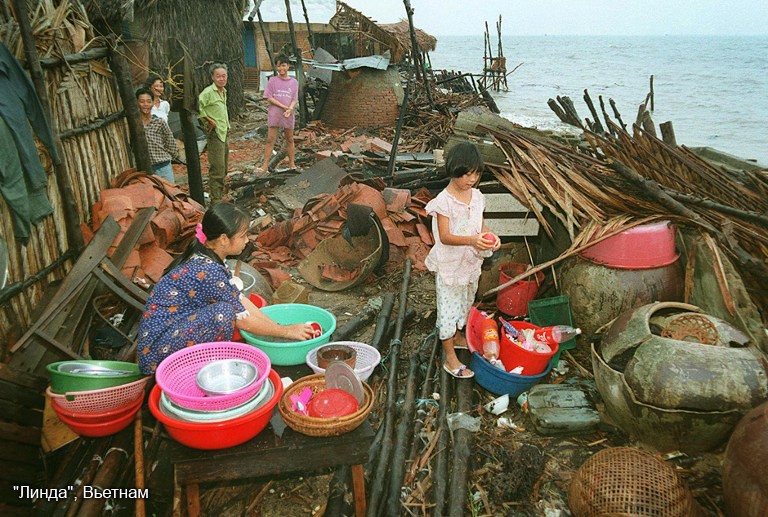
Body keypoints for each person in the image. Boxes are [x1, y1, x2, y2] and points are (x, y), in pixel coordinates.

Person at [137, 202, 314, 374]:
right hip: (156, 354)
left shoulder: (211, 257)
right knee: (223, 313)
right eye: (243, 235)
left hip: (170, 334)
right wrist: (287, 331)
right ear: (223, 239)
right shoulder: (207, 270)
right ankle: (198, 370)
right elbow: (243, 319)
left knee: (229, 307)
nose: (247, 240)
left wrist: (278, 327)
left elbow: (239, 299)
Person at [424, 142, 500, 379]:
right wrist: (472, 240)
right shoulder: (443, 201)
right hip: (450, 265)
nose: (472, 179)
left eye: (476, 174)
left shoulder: (477, 197)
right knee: (447, 309)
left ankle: (457, 336)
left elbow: (480, 225)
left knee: (465, 302)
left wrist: (490, 236)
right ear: (454, 170)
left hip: (470, 263)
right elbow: (445, 237)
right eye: (466, 174)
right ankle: (449, 358)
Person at [258, 54, 298, 174]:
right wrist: (283, 106)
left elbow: (294, 99)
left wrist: (290, 109)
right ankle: (264, 165)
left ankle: (292, 164)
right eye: (279, 66)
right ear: (276, 67)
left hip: (288, 114)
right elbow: (269, 98)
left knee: (290, 139)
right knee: (270, 140)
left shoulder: (294, 82)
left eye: (284, 66)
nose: (281, 69)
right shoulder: (272, 81)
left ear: (288, 66)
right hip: (275, 114)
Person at [198, 63, 230, 203]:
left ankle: (221, 195)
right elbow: (197, 107)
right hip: (215, 133)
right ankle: (216, 201)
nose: (221, 79)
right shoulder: (208, 93)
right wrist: (208, 120)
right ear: (212, 77)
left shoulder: (223, 91)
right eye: (218, 76)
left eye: (224, 76)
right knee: (217, 168)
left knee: (224, 167)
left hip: (224, 132)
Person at [136, 87, 178, 183]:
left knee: (169, 194)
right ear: (137, 103)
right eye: (142, 102)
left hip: (163, 166)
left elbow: (170, 143)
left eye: (148, 101)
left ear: (152, 103)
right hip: (144, 170)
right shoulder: (133, 125)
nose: (145, 105)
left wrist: (167, 158)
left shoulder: (159, 122)